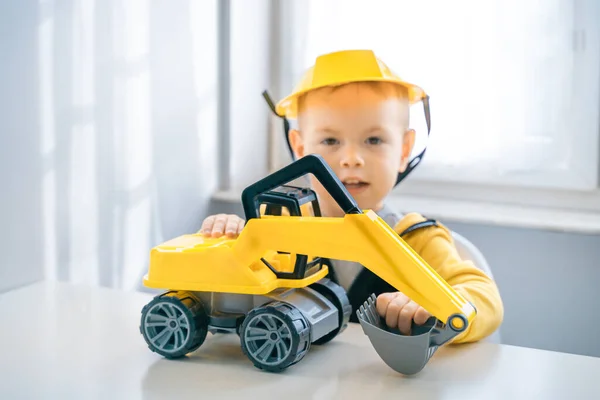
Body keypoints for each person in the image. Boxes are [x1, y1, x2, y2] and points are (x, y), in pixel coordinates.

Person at [200, 49, 504, 343]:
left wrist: (437, 305)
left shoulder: (418, 239)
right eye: (330, 140)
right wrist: (228, 238)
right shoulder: (276, 231)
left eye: (373, 140)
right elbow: (229, 293)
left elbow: (482, 297)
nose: (351, 158)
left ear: (405, 150)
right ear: (300, 149)